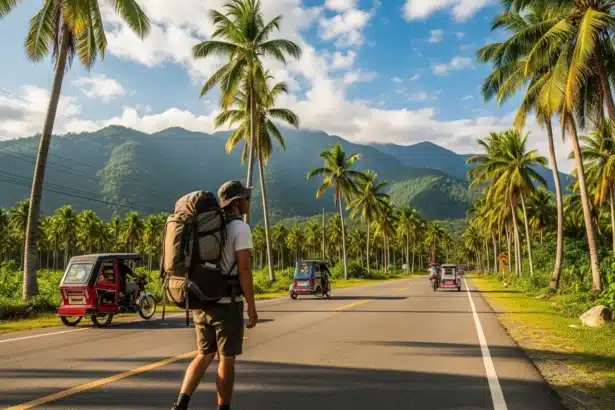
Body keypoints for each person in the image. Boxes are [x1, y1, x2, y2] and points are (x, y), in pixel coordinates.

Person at [172, 180, 258, 410]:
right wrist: (252, 306)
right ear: (237, 202)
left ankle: (180, 405)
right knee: (226, 359)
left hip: (201, 299)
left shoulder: (208, 224)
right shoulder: (240, 228)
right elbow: (244, 270)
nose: (249, 202)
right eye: (246, 198)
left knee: (203, 355)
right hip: (227, 304)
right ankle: (223, 408)